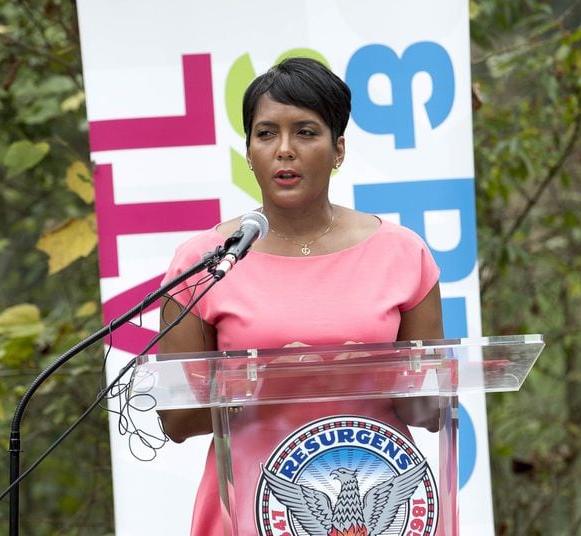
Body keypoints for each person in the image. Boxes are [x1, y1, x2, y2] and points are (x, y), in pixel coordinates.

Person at [157, 57, 444, 536]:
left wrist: (371, 373)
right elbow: (177, 419)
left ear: (339, 149)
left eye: (306, 132)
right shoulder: (204, 262)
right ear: (248, 152)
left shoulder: (403, 254)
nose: (283, 150)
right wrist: (267, 381)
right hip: (247, 514)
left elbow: (430, 409)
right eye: (266, 133)